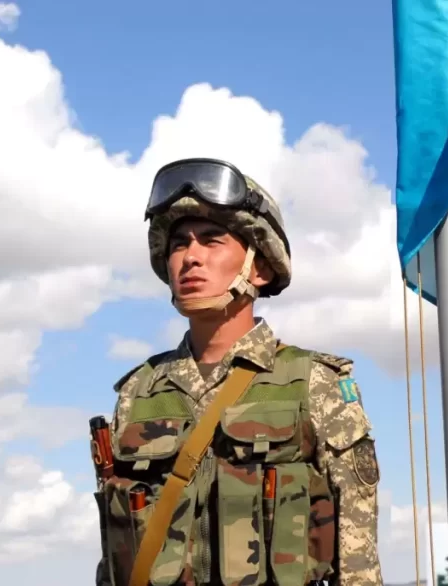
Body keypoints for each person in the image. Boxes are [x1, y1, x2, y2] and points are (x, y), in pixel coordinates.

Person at [93, 158, 383, 586]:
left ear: (259, 267)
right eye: (179, 244)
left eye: (212, 241)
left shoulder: (315, 383)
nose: (191, 257)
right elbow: (116, 554)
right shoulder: (138, 391)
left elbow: (358, 561)